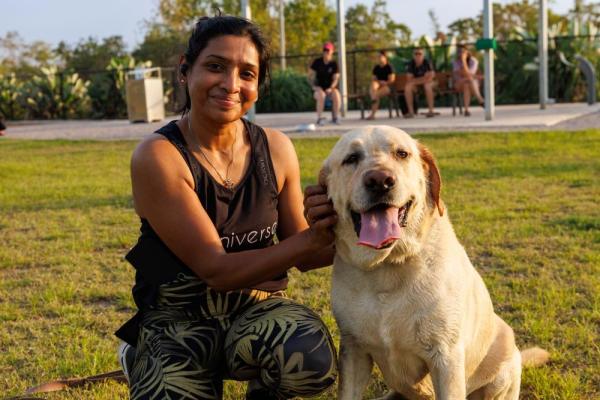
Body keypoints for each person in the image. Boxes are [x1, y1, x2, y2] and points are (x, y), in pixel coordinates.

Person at [115, 15, 338, 400]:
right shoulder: (158, 156)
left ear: (258, 84)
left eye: (247, 73)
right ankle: (143, 355)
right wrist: (302, 245)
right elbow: (216, 269)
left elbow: (307, 254)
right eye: (216, 66)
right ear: (186, 70)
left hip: (252, 312)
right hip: (178, 318)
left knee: (309, 357)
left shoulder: (276, 148)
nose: (231, 84)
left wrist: (342, 222)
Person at [308, 42, 341, 125]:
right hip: (319, 90)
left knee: (337, 94)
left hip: (330, 89)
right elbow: (310, 77)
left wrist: (331, 88)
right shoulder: (317, 62)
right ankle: (320, 118)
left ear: (332, 51)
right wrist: (314, 87)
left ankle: (335, 117)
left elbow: (336, 79)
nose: (326, 52)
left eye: (328, 50)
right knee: (321, 95)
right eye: (324, 50)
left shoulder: (334, 64)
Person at [453, 44, 484, 117]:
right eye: (458, 51)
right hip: (458, 83)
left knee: (467, 85)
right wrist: (463, 61)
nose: (460, 53)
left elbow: (468, 74)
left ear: (467, 52)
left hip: (469, 83)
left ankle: (466, 110)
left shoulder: (473, 61)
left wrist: (463, 63)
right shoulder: (455, 62)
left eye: (462, 51)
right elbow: (465, 74)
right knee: (470, 80)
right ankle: (480, 99)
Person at [404, 47, 436, 118]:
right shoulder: (411, 64)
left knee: (427, 86)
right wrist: (424, 78)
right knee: (407, 87)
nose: (418, 55)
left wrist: (416, 80)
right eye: (416, 53)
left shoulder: (427, 62)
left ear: (423, 55)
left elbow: (431, 77)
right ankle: (411, 112)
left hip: (430, 83)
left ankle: (431, 111)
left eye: (420, 53)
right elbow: (409, 79)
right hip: (417, 85)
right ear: (413, 55)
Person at [366, 51, 395, 120]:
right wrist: (380, 82)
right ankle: (372, 113)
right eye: (378, 57)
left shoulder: (389, 67)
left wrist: (385, 82)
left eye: (380, 57)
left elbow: (392, 80)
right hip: (378, 86)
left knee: (375, 95)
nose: (378, 58)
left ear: (385, 57)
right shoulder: (376, 68)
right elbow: (374, 79)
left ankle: (372, 114)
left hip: (387, 87)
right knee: (373, 86)